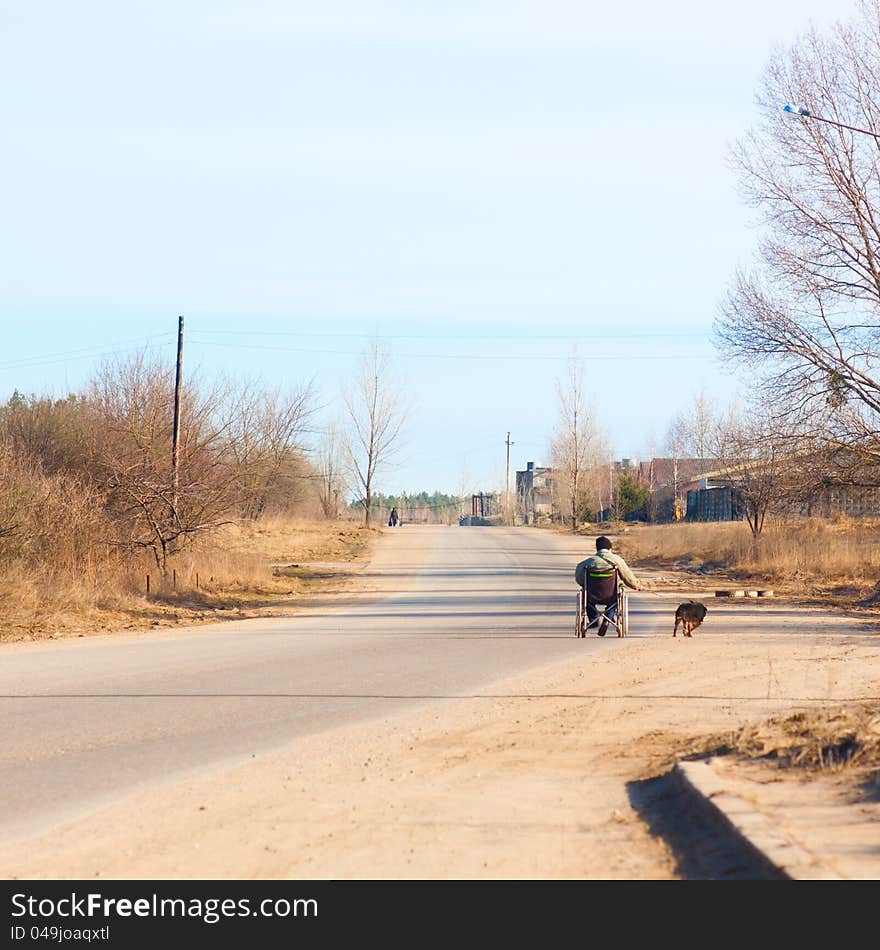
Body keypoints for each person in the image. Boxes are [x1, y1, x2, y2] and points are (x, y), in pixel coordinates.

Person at [575, 536, 641, 636]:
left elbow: (579, 578)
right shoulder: (617, 560)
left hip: (591, 597)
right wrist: (637, 586)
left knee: (585, 596)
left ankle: (593, 619)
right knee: (616, 598)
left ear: (597, 549)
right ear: (610, 549)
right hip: (610, 596)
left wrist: (584, 584)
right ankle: (608, 618)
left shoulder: (588, 562)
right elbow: (628, 577)